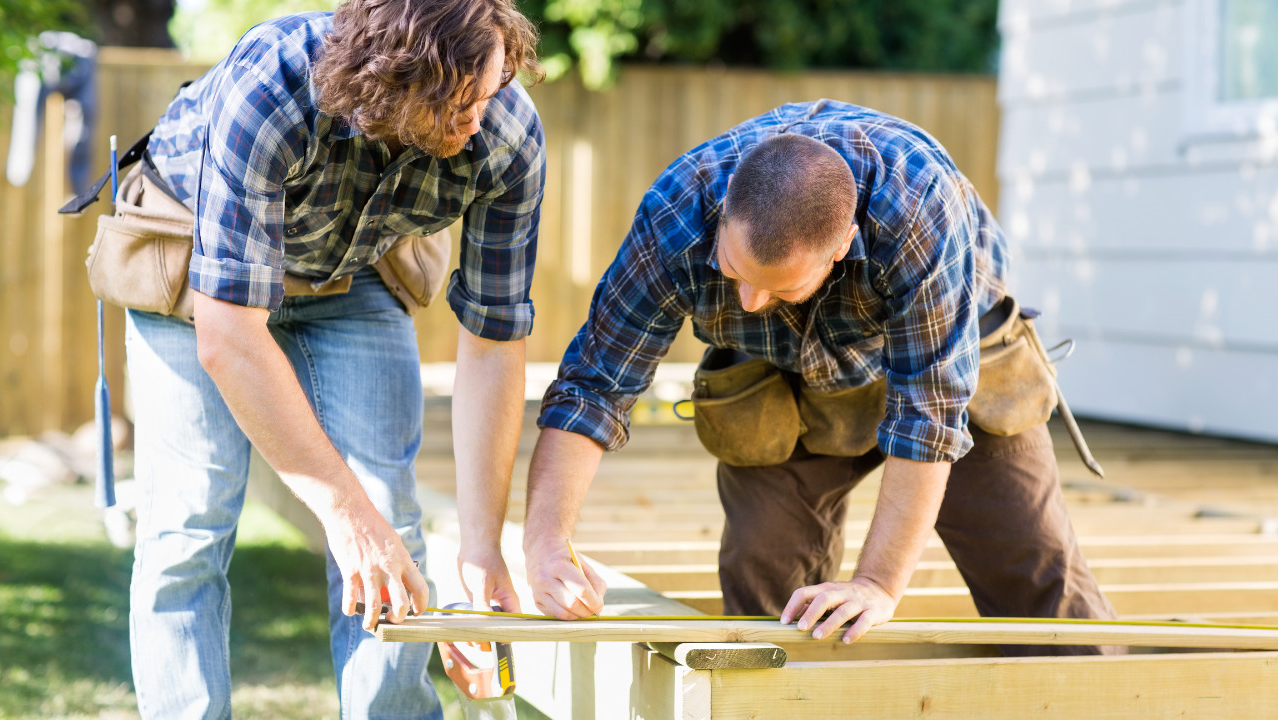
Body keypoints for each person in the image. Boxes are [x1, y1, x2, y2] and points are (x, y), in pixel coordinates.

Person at [520, 99, 1121, 655]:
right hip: (779, 373)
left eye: (779, 285)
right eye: (733, 268)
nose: (750, 300)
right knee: (765, 588)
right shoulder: (677, 215)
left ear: (842, 248)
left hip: (958, 362)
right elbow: (593, 387)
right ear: (726, 206)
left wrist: (878, 584)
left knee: (1035, 575)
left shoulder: (915, 207)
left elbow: (929, 417)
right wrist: (546, 542)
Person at [123, 1, 544, 716]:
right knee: (188, 525)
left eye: (493, 90)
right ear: (394, 81)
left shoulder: (506, 135)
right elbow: (230, 336)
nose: (479, 119)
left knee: (392, 519)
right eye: (457, 104)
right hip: (196, 268)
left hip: (351, 275)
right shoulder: (277, 82)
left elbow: (494, 340)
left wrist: (481, 549)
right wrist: (345, 519)